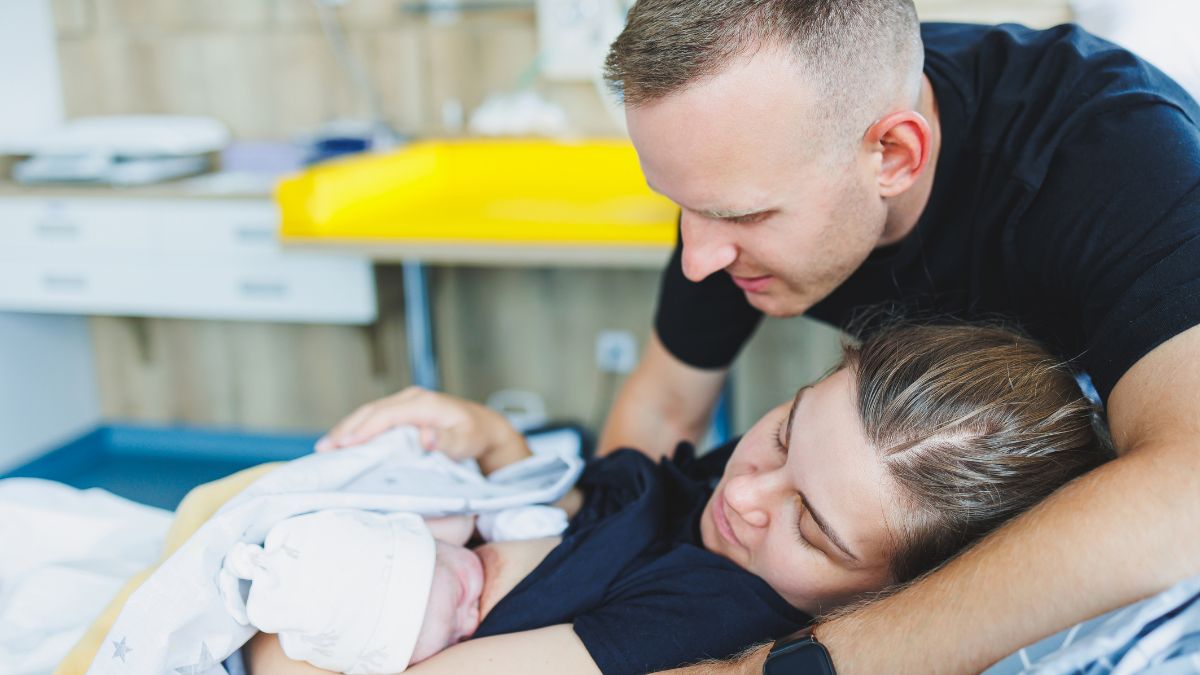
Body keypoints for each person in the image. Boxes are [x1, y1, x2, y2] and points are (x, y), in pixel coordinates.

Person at [584, 0, 1200, 671]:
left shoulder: (1115, 158)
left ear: (894, 154)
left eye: (743, 214)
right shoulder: (752, 146)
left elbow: (1185, 493)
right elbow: (663, 407)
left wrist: (780, 666)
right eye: (682, 208)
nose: (696, 259)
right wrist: (578, 567)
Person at [262, 323, 1113, 674]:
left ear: (893, 594)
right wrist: (496, 443)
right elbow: (587, 516)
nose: (745, 492)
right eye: (781, 432)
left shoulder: (715, 610)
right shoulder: (727, 507)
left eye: (812, 529)